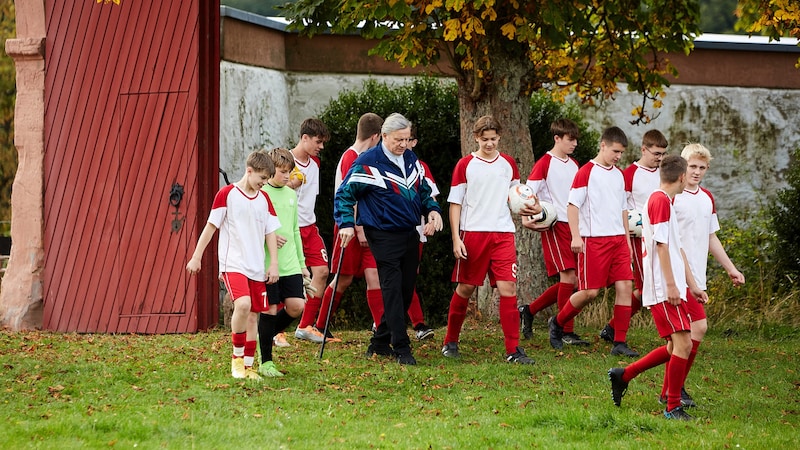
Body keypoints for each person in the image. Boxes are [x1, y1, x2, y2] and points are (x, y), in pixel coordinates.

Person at [334, 113, 443, 365]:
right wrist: (347, 224)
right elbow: (344, 195)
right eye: (398, 139)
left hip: (409, 232)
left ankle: (380, 340)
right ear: (383, 136)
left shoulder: (411, 158)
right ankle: (401, 347)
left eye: (407, 139)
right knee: (392, 288)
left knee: (405, 291)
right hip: (381, 233)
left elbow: (423, 191)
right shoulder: (368, 162)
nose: (403, 144)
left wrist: (433, 211)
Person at [607, 155, 708, 421]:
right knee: (683, 344)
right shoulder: (660, 201)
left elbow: (677, 249)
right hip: (664, 290)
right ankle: (672, 405)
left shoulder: (665, 201)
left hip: (673, 287)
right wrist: (672, 286)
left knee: (675, 347)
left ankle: (624, 375)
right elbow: (661, 246)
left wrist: (692, 286)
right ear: (682, 177)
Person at [442, 115, 539, 365]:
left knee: (509, 289)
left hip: (503, 233)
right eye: (484, 139)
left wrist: (529, 207)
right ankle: (450, 341)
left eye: (493, 139)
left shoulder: (507, 164)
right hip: (473, 233)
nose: (489, 144)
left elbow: (516, 197)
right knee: (466, 288)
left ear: (499, 137)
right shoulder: (465, 165)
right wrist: (456, 238)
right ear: (476, 138)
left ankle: (513, 349)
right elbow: (455, 204)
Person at [659, 143, 745, 406]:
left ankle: (661, 386)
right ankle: (673, 391)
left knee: (684, 339)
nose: (696, 172)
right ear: (683, 168)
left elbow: (711, 237)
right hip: (676, 275)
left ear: (707, 169)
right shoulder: (672, 197)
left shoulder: (706, 197)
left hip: (697, 275)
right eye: (692, 166)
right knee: (694, 330)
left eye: (701, 167)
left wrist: (731, 269)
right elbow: (664, 239)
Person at [186, 150, 280, 380]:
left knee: (253, 316)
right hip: (233, 264)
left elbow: (270, 233)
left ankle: (249, 366)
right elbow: (210, 227)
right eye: (261, 179)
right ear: (249, 171)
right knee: (244, 304)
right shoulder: (227, 194)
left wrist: (273, 264)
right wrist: (196, 256)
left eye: (267, 180)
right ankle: (236, 361)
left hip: (257, 266)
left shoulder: (264, 199)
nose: (263, 184)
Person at [547, 126, 638, 357]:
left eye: (621, 153)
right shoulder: (586, 172)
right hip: (593, 241)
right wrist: (576, 236)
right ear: (603, 145)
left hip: (618, 240)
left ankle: (619, 341)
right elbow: (572, 206)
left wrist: (626, 240)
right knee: (590, 292)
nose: (618, 157)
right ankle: (557, 323)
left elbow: (623, 210)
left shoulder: (618, 175)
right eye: (615, 151)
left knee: (625, 286)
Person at [314, 113, 384, 343]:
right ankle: (321, 324)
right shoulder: (351, 158)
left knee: (374, 276)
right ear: (374, 136)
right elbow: (347, 196)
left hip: (367, 228)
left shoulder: (364, 156)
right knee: (342, 279)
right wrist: (357, 227)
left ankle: (381, 330)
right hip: (350, 229)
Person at [520, 118, 586, 345]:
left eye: (576, 139)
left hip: (575, 226)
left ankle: (530, 310)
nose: (574, 143)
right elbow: (527, 193)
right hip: (555, 224)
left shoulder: (575, 164)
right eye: (570, 139)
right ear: (557, 138)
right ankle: (565, 330)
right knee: (569, 276)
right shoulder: (545, 163)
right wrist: (527, 218)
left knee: (578, 282)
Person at [600, 130, 669, 346]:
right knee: (646, 287)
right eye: (656, 153)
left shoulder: (665, 174)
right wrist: (628, 226)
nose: (659, 158)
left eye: (663, 154)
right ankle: (616, 329)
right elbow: (623, 205)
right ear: (644, 149)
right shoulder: (629, 173)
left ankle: (612, 327)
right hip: (640, 238)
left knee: (648, 287)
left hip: (662, 235)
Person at [257, 148, 310, 377]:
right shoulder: (261, 194)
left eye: (290, 172)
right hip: (269, 263)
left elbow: (295, 230)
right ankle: (266, 361)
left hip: (290, 263)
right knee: (268, 310)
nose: (287, 176)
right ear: (270, 171)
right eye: (282, 172)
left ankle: (263, 337)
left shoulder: (290, 195)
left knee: (297, 305)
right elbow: (252, 226)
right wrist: (266, 236)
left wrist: (302, 263)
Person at [288, 118, 333, 343]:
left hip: (309, 227)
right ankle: (275, 331)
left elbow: (309, 199)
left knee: (322, 272)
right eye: (318, 142)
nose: (321, 147)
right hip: (288, 229)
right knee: (287, 277)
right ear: (304, 138)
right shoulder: (283, 160)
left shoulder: (314, 164)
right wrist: (289, 183)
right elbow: (268, 190)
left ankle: (305, 326)